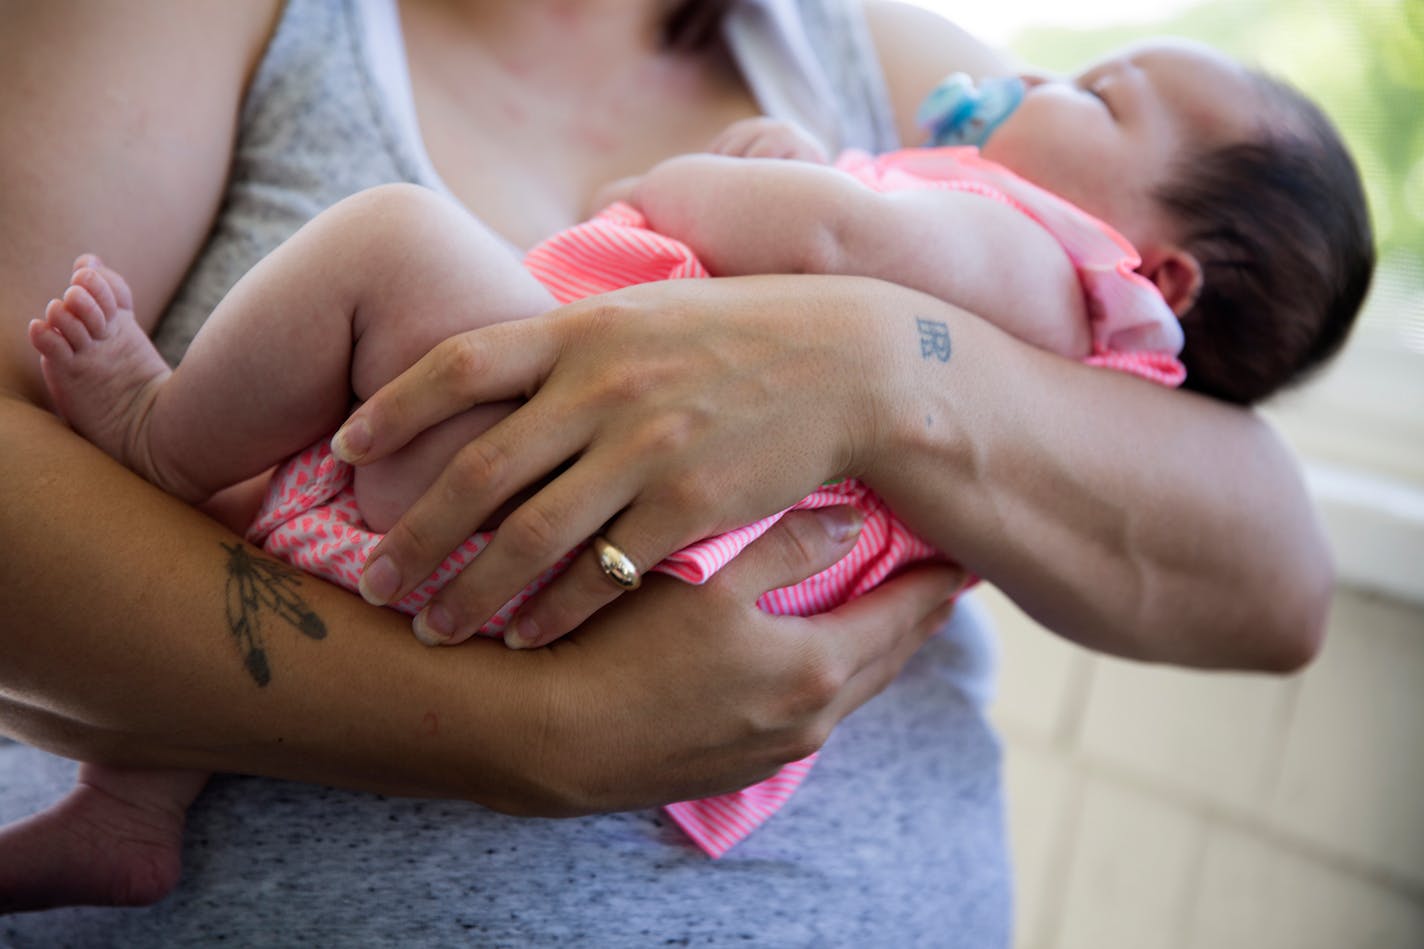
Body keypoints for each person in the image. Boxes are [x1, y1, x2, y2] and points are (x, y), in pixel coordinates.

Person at [0, 1, 1336, 943]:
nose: (1046, 87)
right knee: (271, 509)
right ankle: (133, 796)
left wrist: (876, 358)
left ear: (1162, 275)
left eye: (1094, 92)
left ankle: (152, 433)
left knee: (388, 251)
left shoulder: (1017, 203)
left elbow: (1280, 578)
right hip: (549, 546)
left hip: (569, 519)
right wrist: (526, 732)